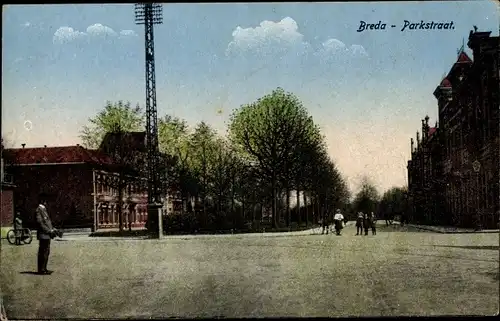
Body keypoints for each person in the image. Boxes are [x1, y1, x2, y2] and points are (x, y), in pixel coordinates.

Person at [36, 194, 57, 275]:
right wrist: (49, 231)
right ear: (43, 201)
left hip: (46, 235)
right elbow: (40, 223)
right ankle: (41, 270)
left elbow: (47, 222)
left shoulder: (43, 209)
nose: (46, 202)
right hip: (43, 235)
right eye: (45, 201)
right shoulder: (39, 210)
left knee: (46, 252)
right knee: (43, 252)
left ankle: (44, 268)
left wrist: (52, 229)